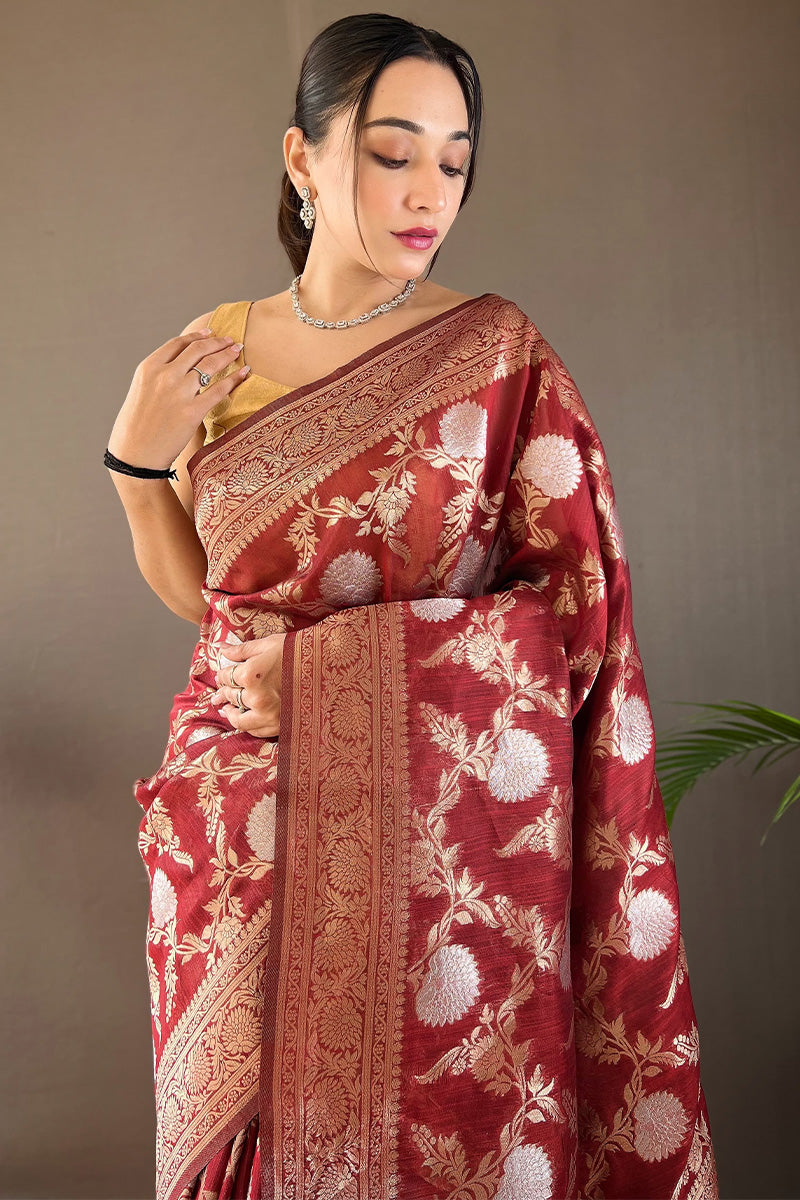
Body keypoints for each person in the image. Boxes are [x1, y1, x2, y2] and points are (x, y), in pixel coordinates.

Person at [106, 13, 719, 1200]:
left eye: (452, 159)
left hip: (434, 854)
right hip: (236, 825)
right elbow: (216, 605)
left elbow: (571, 623)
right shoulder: (212, 352)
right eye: (392, 153)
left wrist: (332, 682)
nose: (428, 190)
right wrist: (135, 473)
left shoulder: (494, 357)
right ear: (303, 157)